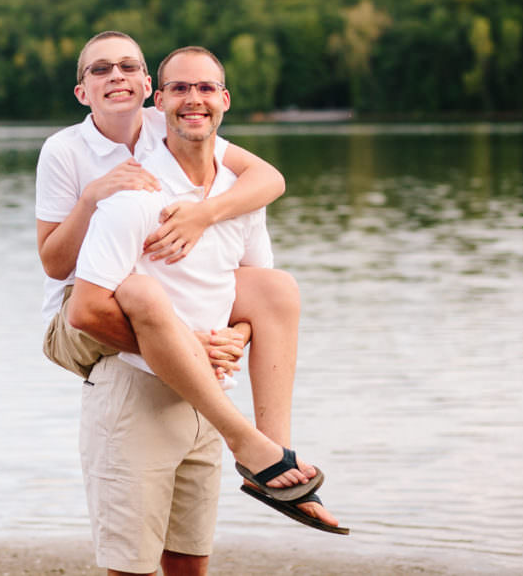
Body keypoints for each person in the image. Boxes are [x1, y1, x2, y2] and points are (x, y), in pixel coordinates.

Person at [34, 32, 337, 523]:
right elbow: (53, 265)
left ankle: (272, 452)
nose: (116, 76)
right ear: (82, 91)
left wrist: (204, 215)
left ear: (148, 86)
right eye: (100, 69)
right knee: (139, 291)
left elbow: (270, 179)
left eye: (129, 66)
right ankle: (243, 439)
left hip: (151, 287)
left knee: (275, 288)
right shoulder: (64, 149)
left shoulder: (171, 118)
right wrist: (92, 197)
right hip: (79, 305)